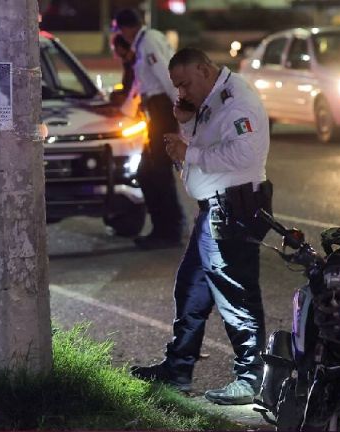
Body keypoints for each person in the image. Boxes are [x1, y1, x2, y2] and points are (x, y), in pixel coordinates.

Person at [130, 47, 273, 406]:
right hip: (214, 208)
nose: (180, 92)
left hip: (235, 208)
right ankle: (178, 368)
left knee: (237, 295)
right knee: (191, 290)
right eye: (177, 86)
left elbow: (246, 154)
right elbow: (205, 139)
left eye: (185, 84)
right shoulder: (210, 98)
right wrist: (185, 121)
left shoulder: (236, 101)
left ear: (205, 70)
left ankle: (250, 378)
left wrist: (188, 154)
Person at [114, 9, 184, 250]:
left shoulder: (149, 42)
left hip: (163, 110)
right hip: (155, 110)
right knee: (149, 172)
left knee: (157, 171)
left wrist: (181, 114)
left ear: (125, 28)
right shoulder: (144, 42)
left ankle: (169, 230)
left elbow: (167, 78)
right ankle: (164, 228)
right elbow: (138, 86)